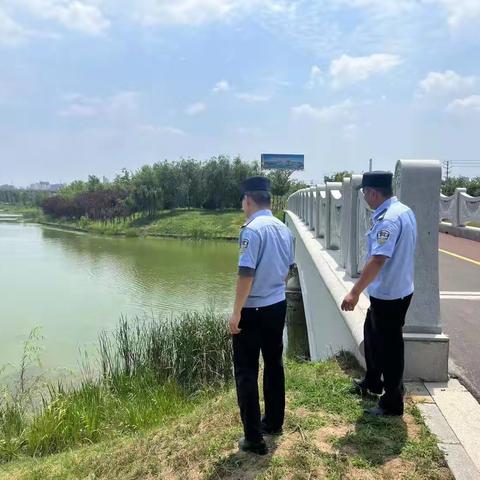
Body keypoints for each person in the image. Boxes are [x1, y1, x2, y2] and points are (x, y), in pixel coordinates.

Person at [341, 171, 417, 416]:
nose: (364, 197)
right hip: (396, 289)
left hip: (390, 294)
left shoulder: (388, 220)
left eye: (365, 193)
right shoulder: (403, 210)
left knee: (390, 348)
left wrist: (354, 292)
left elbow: (378, 260)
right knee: (372, 335)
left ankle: (392, 402)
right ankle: (373, 381)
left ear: (373, 192)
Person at [229, 175, 295, 455]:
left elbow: (246, 274)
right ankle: (274, 423)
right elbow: (290, 269)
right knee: (273, 363)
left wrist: (236, 314)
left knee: (246, 371)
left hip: (253, 309)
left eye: (243, 202)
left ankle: (253, 438)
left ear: (247, 200)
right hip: (277, 305)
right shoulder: (284, 229)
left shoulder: (252, 230)